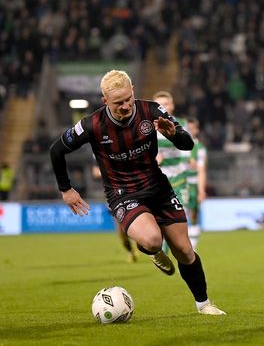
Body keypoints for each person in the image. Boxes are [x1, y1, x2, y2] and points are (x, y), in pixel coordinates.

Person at [49, 70, 225, 315]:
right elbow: (56, 150)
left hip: (159, 188)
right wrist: (66, 189)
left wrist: (174, 134)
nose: (125, 106)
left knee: (184, 250)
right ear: (104, 101)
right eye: (117, 103)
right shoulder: (92, 124)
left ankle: (204, 305)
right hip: (123, 194)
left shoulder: (151, 110)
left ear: (132, 90)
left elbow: (188, 144)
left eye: (128, 99)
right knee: (153, 240)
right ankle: (151, 251)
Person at [152, 91, 191, 253]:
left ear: (172, 106)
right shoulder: (148, 127)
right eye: (159, 105)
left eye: (166, 104)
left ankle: (170, 251)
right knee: (157, 219)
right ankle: (161, 250)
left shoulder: (181, 124)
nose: (163, 107)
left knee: (178, 219)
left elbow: (187, 151)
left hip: (178, 178)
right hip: (157, 180)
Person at [92, 164, 139, 263]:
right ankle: (131, 251)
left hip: (131, 191)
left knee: (137, 222)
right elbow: (95, 172)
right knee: (121, 232)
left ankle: (145, 242)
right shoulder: (99, 154)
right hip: (114, 194)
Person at [185, 117, 207, 249]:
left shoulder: (199, 148)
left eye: (192, 128)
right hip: (175, 183)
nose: (189, 131)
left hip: (192, 184)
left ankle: (192, 245)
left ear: (196, 130)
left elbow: (201, 170)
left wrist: (201, 190)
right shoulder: (175, 144)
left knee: (193, 214)